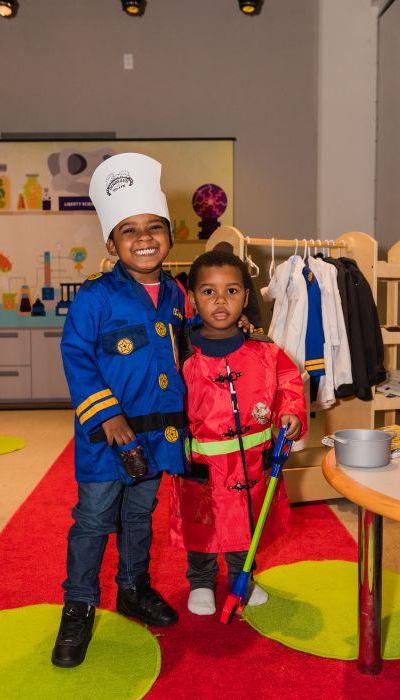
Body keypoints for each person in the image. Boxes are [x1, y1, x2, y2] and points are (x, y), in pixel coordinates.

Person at [51, 152, 190, 668]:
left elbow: (185, 351)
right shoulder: (95, 298)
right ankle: (79, 605)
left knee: (140, 514)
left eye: (154, 227)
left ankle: (132, 587)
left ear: (170, 234)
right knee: (93, 520)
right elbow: (76, 357)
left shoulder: (178, 293)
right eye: (129, 231)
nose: (144, 238)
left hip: (158, 436)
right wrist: (107, 416)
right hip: (107, 438)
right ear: (111, 243)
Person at [170, 250, 307, 615]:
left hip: (249, 463)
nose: (220, 301)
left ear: (246, 297)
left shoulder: (264, 351)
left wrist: (291, 412)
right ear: (193, 297)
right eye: (208, 292)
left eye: (231, 291)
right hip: (201, 463)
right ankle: (200, 580)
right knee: (202, 526)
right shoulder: (180, 354)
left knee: (246, 521)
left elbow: (289, 384)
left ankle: (240, 576)